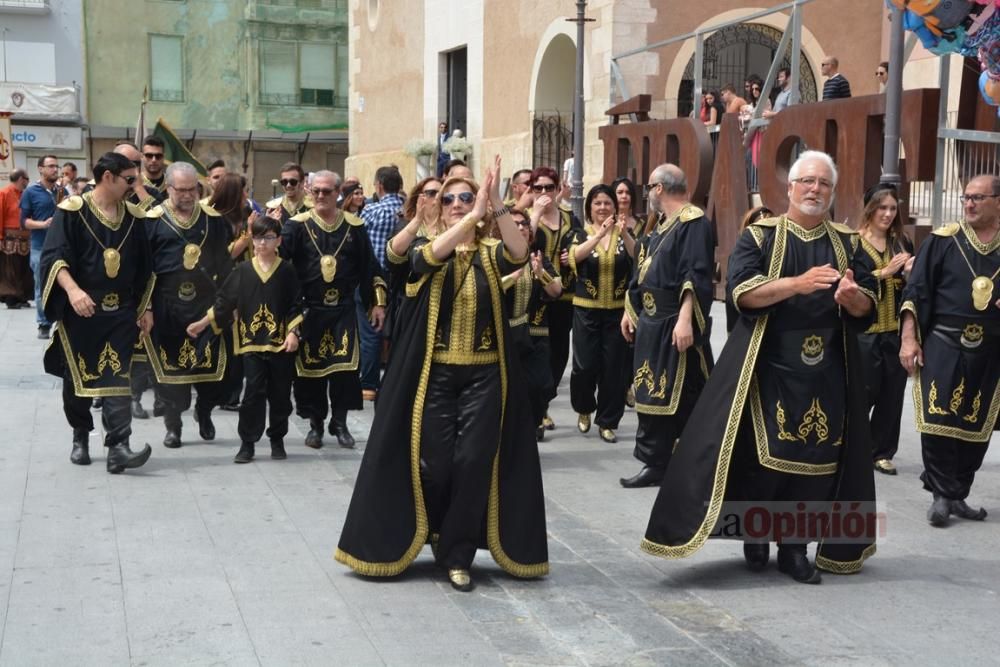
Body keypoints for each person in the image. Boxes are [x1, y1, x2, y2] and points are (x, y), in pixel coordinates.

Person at [642, 150, 878, 584]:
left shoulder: (849, 244)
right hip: (767, 367)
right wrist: (798, 284)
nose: (814, 190)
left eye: (823, 184)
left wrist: (853, 299)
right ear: (789, 188)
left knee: (816, 463)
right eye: (807, 181)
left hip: (827, 369)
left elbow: (870, 304)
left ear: (832, 191)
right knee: (764, 462)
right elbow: (742, 293)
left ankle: (794, 549)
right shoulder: (761, 237)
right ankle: (755, 534)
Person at [336, 157, 548, 592]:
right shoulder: (425, 247)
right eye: (448, 197)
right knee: (434, 465)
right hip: (435, 375)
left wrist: (496, 208)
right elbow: (420, 258)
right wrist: (470, 217)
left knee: (473, 462)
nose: (454, 202)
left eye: (465, 197)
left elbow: (520, 253)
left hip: (485, 375)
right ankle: (430, 533)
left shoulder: (491, 253)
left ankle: (458, 553)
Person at [39, 152, 154, 473]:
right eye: (129, 179)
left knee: (118, 376)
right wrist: (73, 291)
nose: (135, 185)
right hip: (82, 311)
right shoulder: (72, 212)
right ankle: (80, 436)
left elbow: (146, 267)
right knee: (77, 380)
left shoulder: (134, 217)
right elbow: (54, 258)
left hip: (121, 312)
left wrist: (146, 307)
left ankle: (119, 447)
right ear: (108, 177)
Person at [899, 174, 1000, 527]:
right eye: (966, 197)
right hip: (943, 342)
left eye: (978, 198)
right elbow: (916, 291)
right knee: (939, 420)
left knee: (976, 424)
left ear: (998, 202)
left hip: (990, 350)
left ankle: (958, 494)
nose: (969, 204)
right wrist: (909, 339)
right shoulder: (943, 241)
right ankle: (941, 495)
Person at [619, 164, 715, 488]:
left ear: (659, 188)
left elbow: (696, 273)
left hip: (675, 322)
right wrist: (629, 312)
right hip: (650, 324)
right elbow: (640, 274)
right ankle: (654, 463)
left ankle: (695, 465)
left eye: (648, 188)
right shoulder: (659, 227)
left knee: (687, 395)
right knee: (650, 395)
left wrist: (686, 318)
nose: (647, 195)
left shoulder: (694, 222)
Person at [282, 171, 387, 449]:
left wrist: (377, 303)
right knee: (312, 373)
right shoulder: (296, 226)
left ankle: (339, 423)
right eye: (315, 191)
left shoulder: (354, 226)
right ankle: (316, 425)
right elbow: (281, 267)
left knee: (343, 371)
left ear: (338, 192)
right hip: (309, 310)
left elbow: (370, 268)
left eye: (326, 191)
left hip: (342, 309)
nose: (320, 196)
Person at [187, 215, 303, 463]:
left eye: (269, 238)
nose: (263, 243)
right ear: (252, 240)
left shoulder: (287, 270)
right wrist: (203, 322)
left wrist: (294, 332)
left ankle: (277, 438)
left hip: (280, 343)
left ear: (279, 240)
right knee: (252, 394)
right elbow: (224, 302)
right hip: (250, 343)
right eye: (259, 237)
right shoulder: (242, 270)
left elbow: (295, 304)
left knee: (280, 394)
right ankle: (247, 442)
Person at [143, 162, 233, 449]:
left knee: (212, 372)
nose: (187, 195)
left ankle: (204, 411)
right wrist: (145, 308)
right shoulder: (152, 220)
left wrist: (225, 305)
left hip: (205, 305)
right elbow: (144, 268)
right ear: (168, 188)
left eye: (192, 189)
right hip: (166, 306)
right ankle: (173, 424)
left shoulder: (214, 220)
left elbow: (226, 265)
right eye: (180, 190)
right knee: (170, 373)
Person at [569, 184, 635, 443]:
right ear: (589, 207)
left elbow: (637, 256)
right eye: (597, 203)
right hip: (586, 310)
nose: (603, 207)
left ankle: (608, 422)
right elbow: (574, 256)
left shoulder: (622, 233)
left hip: (617, 313)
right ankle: (585, 407)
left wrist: (624, 233)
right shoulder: (580, 232)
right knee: (584, 366)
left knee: (614, 370)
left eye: (607, 202)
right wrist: (598, 236)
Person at [856, 185, 913, 476]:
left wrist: (910, 273)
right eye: (882, 208)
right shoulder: (853, 243)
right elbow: (849, 281)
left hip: (895, 332)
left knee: (892, 395)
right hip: (864, 334)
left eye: (892, 208)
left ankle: (881, 452)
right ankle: (852, 447)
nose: (888, 214)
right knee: (863, 392)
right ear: (870, 209)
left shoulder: (900, 242)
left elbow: (914, 288)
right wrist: (886, 273)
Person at [526, 166, 580, 430]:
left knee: (559, 354)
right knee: (538, 354)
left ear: (558, 189)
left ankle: (544, 402)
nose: (544, 192)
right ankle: (537, 408)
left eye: (549, 187)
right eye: (539, 188)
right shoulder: (525, 218)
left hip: (565, 294)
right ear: (531, 191)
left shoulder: (570, 217)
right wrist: (535, 213)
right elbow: (522, 244)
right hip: (535, 297)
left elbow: (582, 244)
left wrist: (573, 255)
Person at [501, 208, 562, 439]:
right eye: (513, 224)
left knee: (540, 385)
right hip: (504, 334)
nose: (519, 228)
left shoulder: (538, 257)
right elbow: (487, 289)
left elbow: (557, 291)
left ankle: (535, 419)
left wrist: (540, 274)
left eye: (523, 224)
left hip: (535, 334)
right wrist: (511, 278)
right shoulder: (496, 257)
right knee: (508, 388)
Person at [210, 172, 256, 411]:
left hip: (246, 285)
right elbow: (226, 254)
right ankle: (222, 393)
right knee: (225, 342)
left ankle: (233, 395)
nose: (246, 196)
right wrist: (248, 233)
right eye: (243, 191)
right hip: (223, 286)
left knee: (239, 344)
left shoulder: (246, 215)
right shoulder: (215, 220)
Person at [357, 166, 403, 403]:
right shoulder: (407, 210)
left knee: (371, 331)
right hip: (400, 277)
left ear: (379, 186)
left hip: (374, 277)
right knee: (398, 330)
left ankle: (369, 384)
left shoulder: (372, 211)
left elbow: (359, 244)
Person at [385, 176, 443, 340]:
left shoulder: (452, 229)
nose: (437, 197)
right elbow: (393, 258)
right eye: (431, 193)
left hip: (444, 305)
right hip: (412, 306)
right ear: (420, 198)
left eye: (442, 193)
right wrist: (418, 219)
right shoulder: (406, 226)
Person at [20, 155, 61, 339]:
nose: (54, 169)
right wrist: (43, 224)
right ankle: (43, 324)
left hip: (61, 247)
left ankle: (60, 321)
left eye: (56, 166)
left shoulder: (61, 192)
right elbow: (24, 222)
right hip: (40, 247)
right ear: (40, 169)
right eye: (50, 166)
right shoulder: (30, 192)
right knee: (41, 286)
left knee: (61, 286)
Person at [0, 170, 33, 309]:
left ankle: (22, 296)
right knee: (10, 269)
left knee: (24, 269)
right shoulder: (4, 193)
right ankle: (11, 297)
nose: (28, 181)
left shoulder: (25, 194)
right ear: (21, 179)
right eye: (27, 178)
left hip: (26, 237)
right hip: (10, 237)